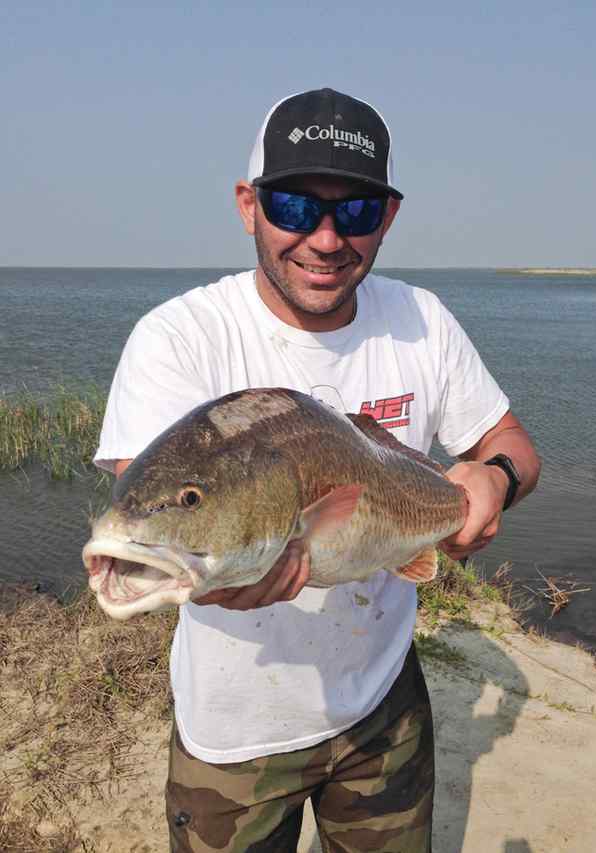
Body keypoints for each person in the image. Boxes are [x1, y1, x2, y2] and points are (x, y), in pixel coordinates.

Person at [95, 87, 541, 852]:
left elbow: (513, 443)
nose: (326, 238)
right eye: (295, 207)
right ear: (249, 205)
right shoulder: (177, 337)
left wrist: (493, 478)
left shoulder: (425, 322)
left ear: (388, 217)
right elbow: (153, 496)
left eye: (355, 211)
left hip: (385, 708)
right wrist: (212, 563)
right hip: (232, 740)